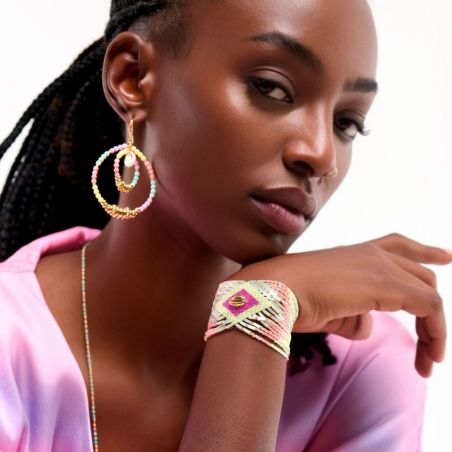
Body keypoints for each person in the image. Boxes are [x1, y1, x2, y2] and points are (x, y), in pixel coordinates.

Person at [0, 0, 450, 451]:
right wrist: (254, 319)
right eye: (271, 88)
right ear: (133, 78)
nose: (320, 154)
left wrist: (257, 312)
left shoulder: (357, 369)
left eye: (346, 123)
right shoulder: (11, 340)